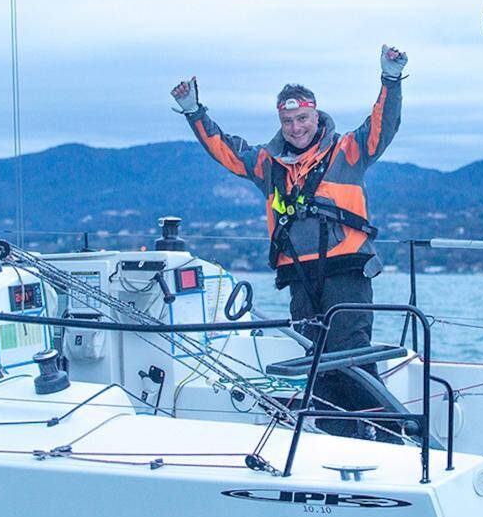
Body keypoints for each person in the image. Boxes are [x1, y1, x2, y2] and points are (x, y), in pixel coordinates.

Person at [171, 45, 406, 437]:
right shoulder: (267, 163)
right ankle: (334, 435)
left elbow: (383, 126)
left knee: (350, 354)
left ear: (316, 115)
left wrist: (391, 78)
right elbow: (226, 150)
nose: (296, 128)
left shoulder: (347, 150)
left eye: (303, 118)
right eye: (288, 121)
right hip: (299, 276)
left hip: (347, 269)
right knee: (315, 357)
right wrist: (194, 111)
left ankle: (382, 435)